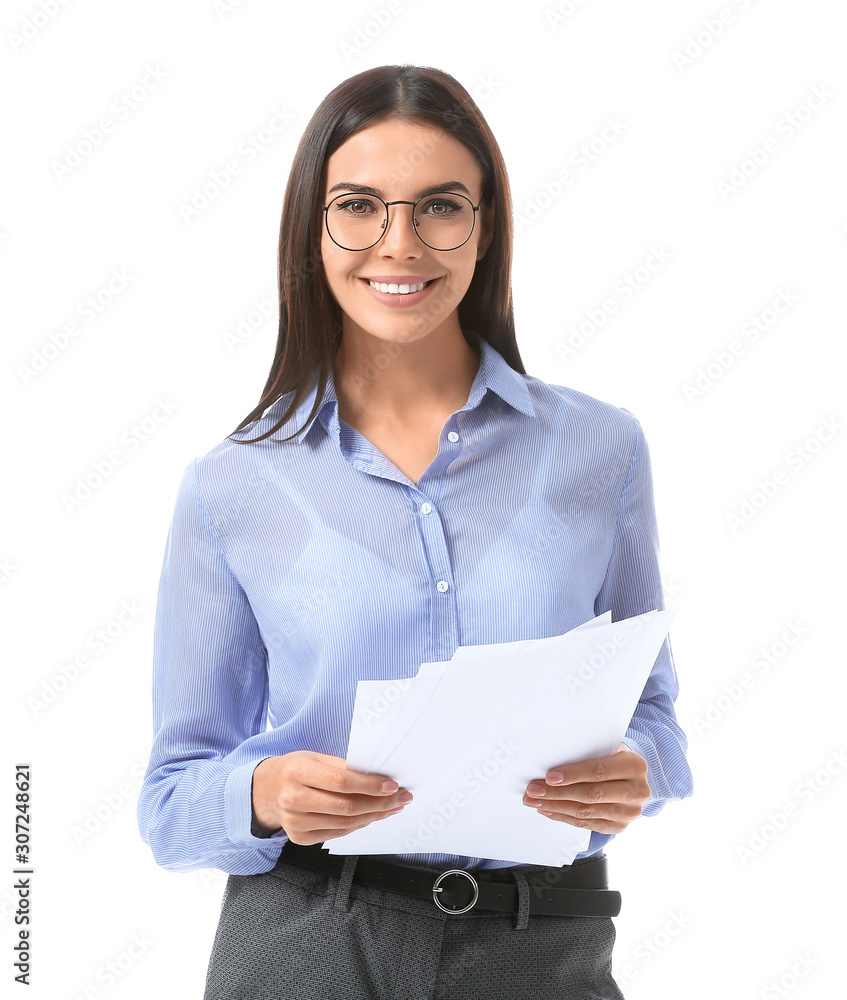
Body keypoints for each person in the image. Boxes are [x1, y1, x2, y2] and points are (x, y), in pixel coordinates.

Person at [137, 64, 693, 1000]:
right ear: (312, 231)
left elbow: (658, 728)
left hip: (539, 948)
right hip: (304, 944)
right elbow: (170, 803)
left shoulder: (601, 450)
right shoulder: (230, 485)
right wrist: (264, 795)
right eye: (358, 206)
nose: (398, 244)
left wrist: (638, 770)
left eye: (439, 206)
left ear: (486, 228)